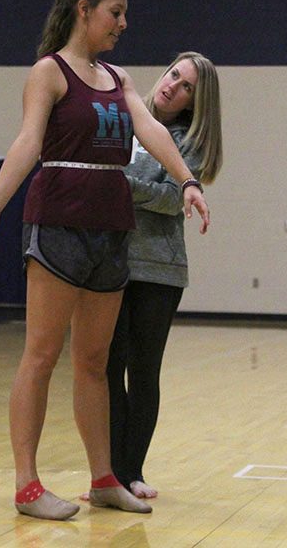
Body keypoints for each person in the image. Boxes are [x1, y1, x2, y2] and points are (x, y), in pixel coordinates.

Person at [0, 0, 210, 521]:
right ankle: (27, 485)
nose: (122, 23)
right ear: (83, 9)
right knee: (41, 355)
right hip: (58, 223)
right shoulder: (47, 73)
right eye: (114, 12)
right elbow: (28, 141)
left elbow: (152, 130)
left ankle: (104, 479)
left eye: (124, 14)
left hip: (110, 229)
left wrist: (187, 183)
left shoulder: (119, 79)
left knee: (95, 362)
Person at [108, 52, 223, 499]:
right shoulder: (126, 122)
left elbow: (171, 197)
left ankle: (130, 471)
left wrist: (115, 182)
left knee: (142, 369)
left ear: (195, 102)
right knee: (105, 368)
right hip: (111, 261)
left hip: (158, 269)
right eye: (175, 74)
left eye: (187, 86)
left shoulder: (185, 141)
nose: (174, 85)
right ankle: (109, 474)